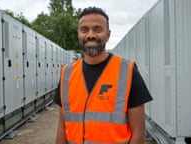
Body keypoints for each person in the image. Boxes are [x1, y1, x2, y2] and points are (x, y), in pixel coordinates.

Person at [54, 6, 152, 144]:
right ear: (79, 33)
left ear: (108, 34)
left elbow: (138, 132)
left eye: (97, 29)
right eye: (84, 30)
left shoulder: (128, 71)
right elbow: (62, 126)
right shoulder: (67, 73)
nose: (90, 35)